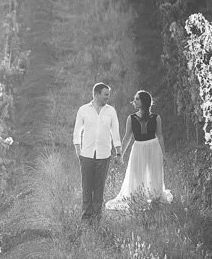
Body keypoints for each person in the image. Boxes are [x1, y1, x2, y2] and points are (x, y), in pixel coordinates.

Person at [106, 90, 173, 211]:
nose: (134, 101)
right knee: (136, 173)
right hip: (138, 148)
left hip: (153, 147)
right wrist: (120, 154)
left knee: (154, 173)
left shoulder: (156, 118)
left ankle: (155, 199)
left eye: (137, 99)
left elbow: (160, 135)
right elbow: (127, 137)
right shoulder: (131, 118)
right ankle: (137, 199)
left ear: (144, 101)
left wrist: (164, 154)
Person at [73, 82, 122, 222]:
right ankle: (85, 218)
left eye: (109, 95)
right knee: (87, 187)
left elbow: (115, 133)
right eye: (106, 95)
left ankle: (96, 219)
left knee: (99, 188)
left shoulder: (111, 111)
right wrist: (79, 151)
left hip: (104, 155)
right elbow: (76, 132)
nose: (108, 97)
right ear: (96, 94)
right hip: (86, 154)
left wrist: (119, 153)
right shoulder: (83, 110)